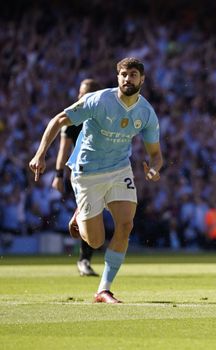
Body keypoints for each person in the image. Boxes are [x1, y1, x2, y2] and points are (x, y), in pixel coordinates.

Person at [29, 57, 163, 303]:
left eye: (133, 74)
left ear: (142, 79)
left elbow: (156, 156)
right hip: (87, 172)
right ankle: (81, 214)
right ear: (117, 77)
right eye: (123, 74)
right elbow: (59, 120)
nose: (127, 79)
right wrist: (40, 154)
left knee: (126, 225)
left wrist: (154, 170)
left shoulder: (146, 112)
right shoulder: (99, 100)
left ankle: (103, 289)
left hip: (119, 170)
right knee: (96, 241)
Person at [52, 78, 101, 277]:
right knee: (92, 214)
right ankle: (84, 260)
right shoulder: (73, 116)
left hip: (105, 169)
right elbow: (64, 148)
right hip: (82, 172)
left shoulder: (103, 115)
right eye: (80, 93)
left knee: (97, 215)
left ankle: (84, 257)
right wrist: (58, 174)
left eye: (85, 93)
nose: (80, 97)